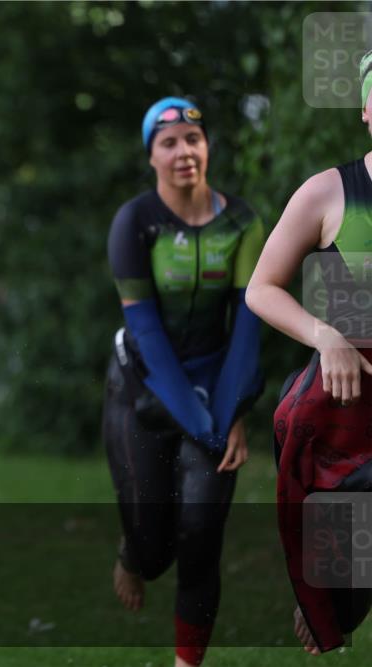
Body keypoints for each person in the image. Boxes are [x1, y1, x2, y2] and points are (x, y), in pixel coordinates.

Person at [103, 97, 266, 667]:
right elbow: (145, 332)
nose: (183, 152)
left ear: (207, 148)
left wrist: (231, 412)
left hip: (212, 387)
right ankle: (132, 553)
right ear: (151, 156)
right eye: (168, 143)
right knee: (153, 549)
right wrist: (205, 424)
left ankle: (187, 663)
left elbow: (248, 330)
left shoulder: (243, 221)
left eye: (192, 140)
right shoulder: (134, 221)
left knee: (200, 533)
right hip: (140, 391)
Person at [245, 50, 372, 656]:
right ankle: (326, 598)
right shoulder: (328, 191)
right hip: (348, 403)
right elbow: (261, 289)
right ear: (368, 110)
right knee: (343, 573)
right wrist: (327, 336)